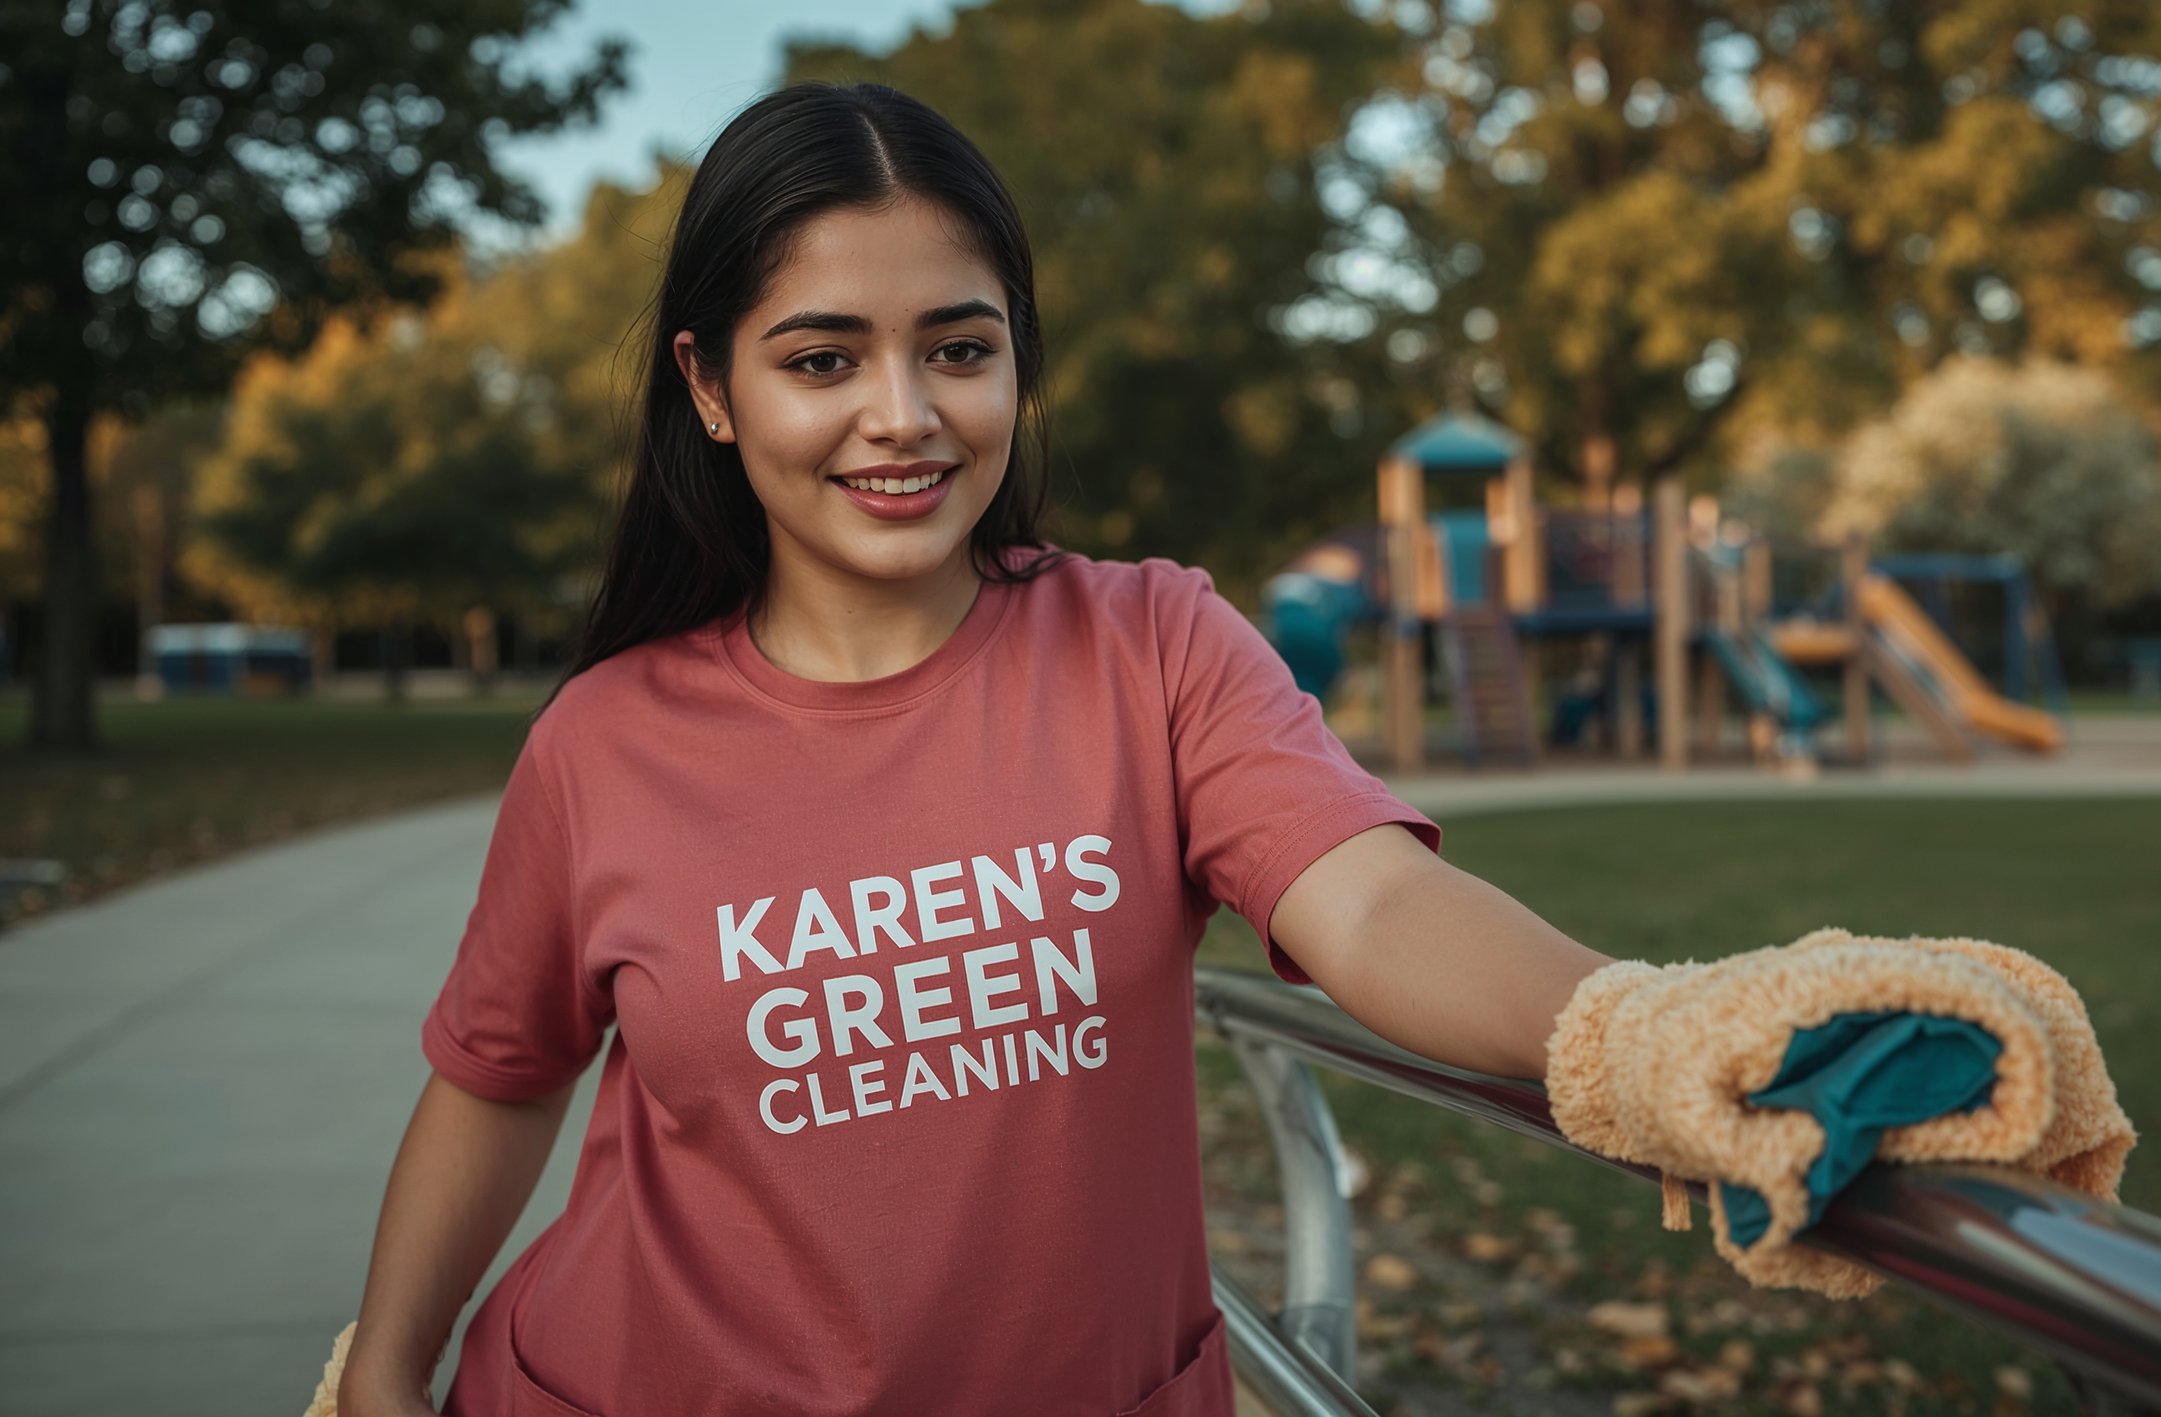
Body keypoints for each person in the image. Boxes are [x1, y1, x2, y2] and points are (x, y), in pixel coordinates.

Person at [338, 81, 1617, 1417]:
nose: (904, 415)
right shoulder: (602, 743)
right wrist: (382, 1364)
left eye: (958, 348)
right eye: (821, 360)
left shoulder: (1154, 645)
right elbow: (500, 1076)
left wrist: (1634, 1030)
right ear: (710, 387)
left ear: (1019, 357)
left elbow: (1379, 902)